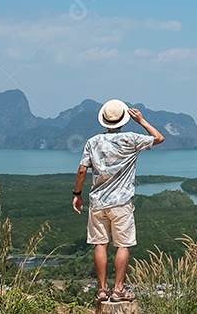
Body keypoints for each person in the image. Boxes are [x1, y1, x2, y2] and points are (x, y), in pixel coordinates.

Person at [72, 99, 164, 303]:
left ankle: (103, 290)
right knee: (123, 245)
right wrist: (141, 120)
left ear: (104, 121)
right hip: (121, 203)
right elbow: (158, 138)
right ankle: (118, 289)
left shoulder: (93, 142)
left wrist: (76, 194)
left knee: (100, 244)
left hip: (97, 202)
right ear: (123, 120)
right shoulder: (131, 139)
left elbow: (81, 170)